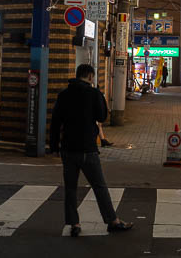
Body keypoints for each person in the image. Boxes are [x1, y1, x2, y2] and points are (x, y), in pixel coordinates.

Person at [50, 64, 133, 236]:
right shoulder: (93, 94)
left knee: (70, 188)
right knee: (99, 186)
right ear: (89, 76)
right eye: (92, 77)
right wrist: (99, 96)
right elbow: (102, 116)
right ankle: (112, 221)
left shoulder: (64, 95)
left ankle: (74, 224)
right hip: (88, 149)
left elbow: (56, 121)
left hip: (68, 149)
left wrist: (54, 146)